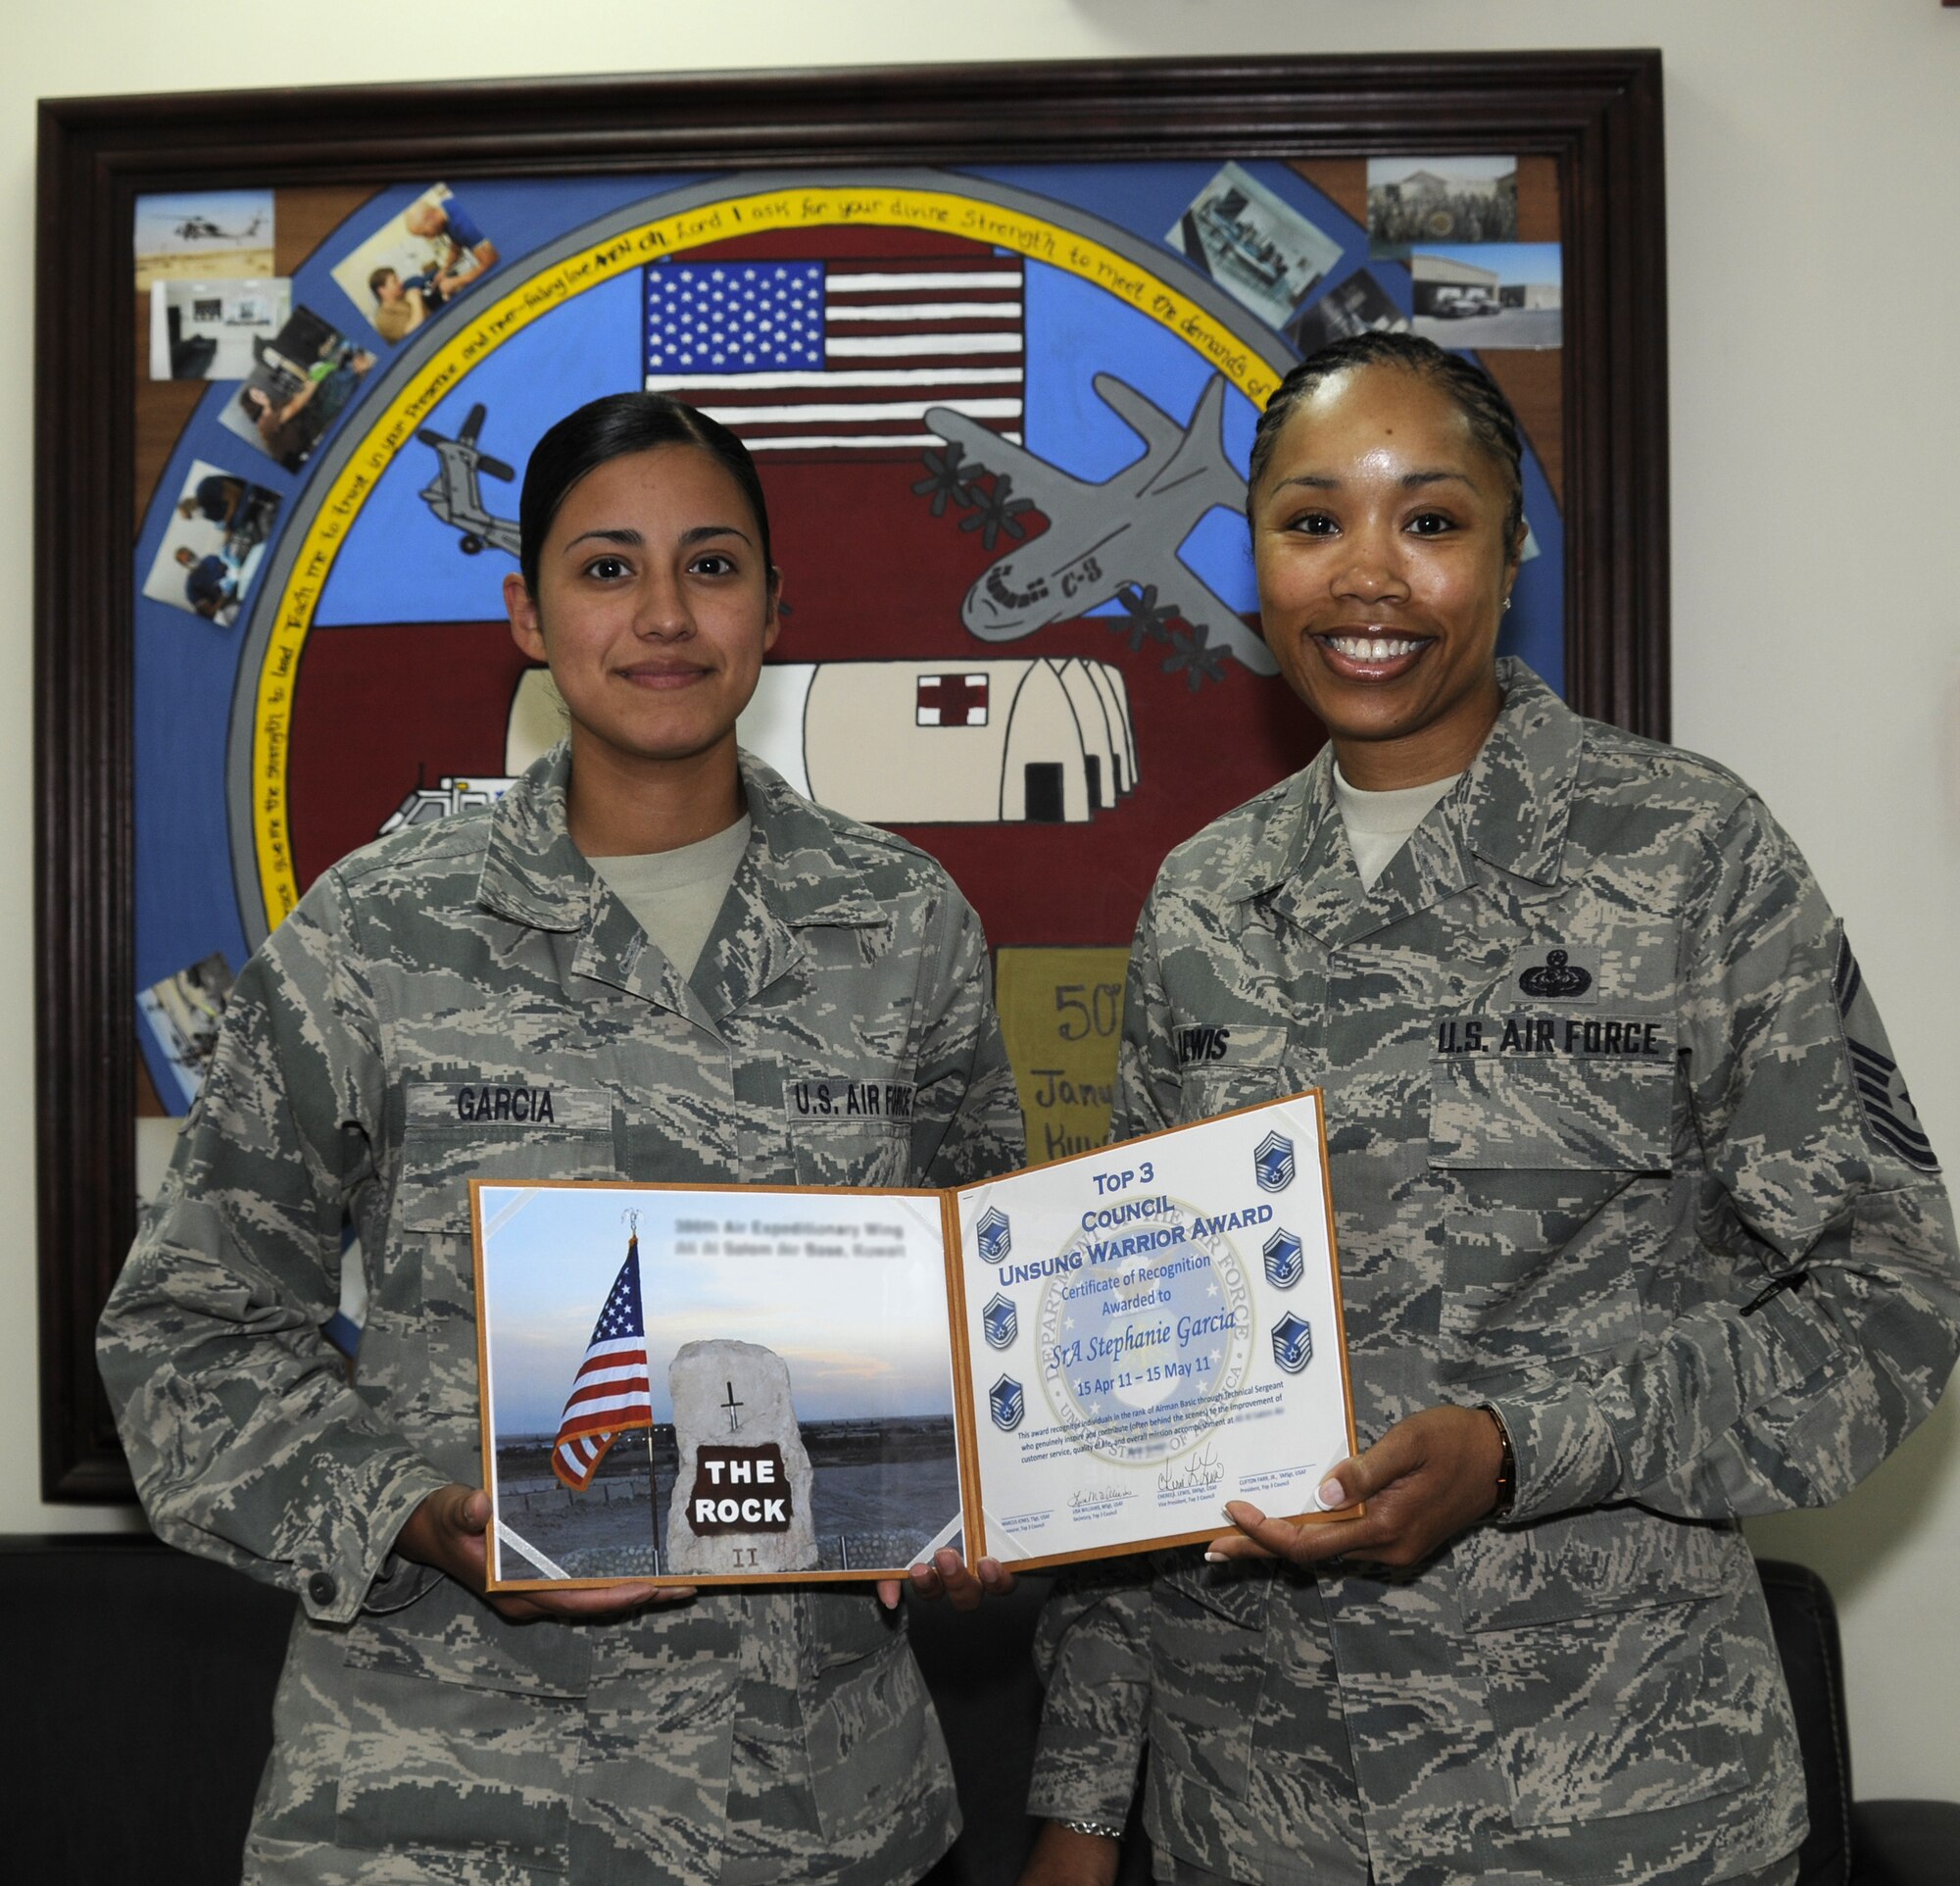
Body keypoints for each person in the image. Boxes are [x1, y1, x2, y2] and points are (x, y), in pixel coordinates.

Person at [1020, 331, 1960, 1886]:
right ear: (1253, 559)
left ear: (1511, 554)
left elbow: (1891, 1302)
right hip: (1253, 1815)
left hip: (1617, 1807)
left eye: (1432, 521)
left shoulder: (1688, 853)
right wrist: (1081, 1807)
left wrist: (1529, 1451)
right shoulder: (1204, 901)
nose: (1368, 578)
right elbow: (1141, 1380)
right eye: (1313, 523)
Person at [100, 391, 1024, 1885]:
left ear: (776, 607)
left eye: (711, 566)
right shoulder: (380, 929)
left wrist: (999, 1476)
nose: (664, 614)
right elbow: (183, 1330)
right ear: (528, 614)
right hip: (445, 1807)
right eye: (607, 569)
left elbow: (995, 1314)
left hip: (818, 1811)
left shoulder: (907, 929)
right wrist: (411, 1516)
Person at [407, 192, 499, 300]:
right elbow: (456, 244)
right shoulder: (446, 209)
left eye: (425, 233)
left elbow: (491, 261)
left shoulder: (464, 225)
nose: (428, 238)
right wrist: (445, 269)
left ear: (431, 218)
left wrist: (455, 282)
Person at [367, 264, 431, 343]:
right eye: (395, 281)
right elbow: (414, 331)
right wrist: (416, 302)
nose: (400, 283)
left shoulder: (404, 296)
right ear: (382, 290)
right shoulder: (383, 319)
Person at [173, 542, 236, 620]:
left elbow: (231, 566)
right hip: (229, 607)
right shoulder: (191, 586)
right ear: (183, 565)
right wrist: (225, 594)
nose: (192, 559)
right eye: (188, 560)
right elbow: (211, 611)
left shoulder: (211, 559)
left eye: (191, 555)